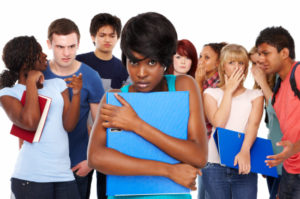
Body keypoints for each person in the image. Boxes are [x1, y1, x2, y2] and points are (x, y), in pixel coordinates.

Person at [87, 12, 208, 199]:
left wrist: (136, 124)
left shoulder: (183, 86)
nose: (141, 73)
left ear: (165, 61)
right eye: (133, 62)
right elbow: (96, 157)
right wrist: (168, 170)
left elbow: (199, 156)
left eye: (151, 62)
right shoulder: (115, 98)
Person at [0, 36, 82, 199]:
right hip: (30, 178)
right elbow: (31, 123)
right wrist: (31, 82)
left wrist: (77, 94)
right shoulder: (8, 94)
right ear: (25, 61)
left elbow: (69, 126)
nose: (45, 55)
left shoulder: (57, 85)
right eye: (39, 52)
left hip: (64, 176)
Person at [44, 18, 105, 199]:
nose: (66, 53)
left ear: (78, 44)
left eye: (71, 46)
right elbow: (26, 122)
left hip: (77, 164)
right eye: (60, 47)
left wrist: (91, 162)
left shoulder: (91, 76)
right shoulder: (39, 73)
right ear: (49, 44)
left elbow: (101, 124)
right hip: (43, 165)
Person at [76, 12, 129, 199]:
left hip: (110, 142)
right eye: (102, 35)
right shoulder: (79, 63)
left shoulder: (123, 69)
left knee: (107, 193)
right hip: (80, 140)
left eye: (112, 35)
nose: (107, 39)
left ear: (118, 38)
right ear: (92, 36)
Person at [202, 44, 264, 199]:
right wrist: (228, 91)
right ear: (223, 67)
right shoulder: (210, 93)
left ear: (245, 67)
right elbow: (219, 123)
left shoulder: (256, 95)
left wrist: (244, 151)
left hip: (244, 162)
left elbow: (253, 126)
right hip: (214, 165)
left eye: (241, 63)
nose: (237, 67)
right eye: (231, 63)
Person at [256, 26, 300, 198]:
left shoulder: (298, 74)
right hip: (290, 171)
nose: (261, 59)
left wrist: (294, 148)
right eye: (259, 54)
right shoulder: (279, 87)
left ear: (284, 53)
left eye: (266, 53)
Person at [195, 42, 227, 199]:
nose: (201, 60)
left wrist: (198, 84)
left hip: (215, 155)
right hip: (204, 152)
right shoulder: (204, 82)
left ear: (218, 62)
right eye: (200, 56)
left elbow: (204, 116)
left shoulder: (219, 85)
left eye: (206, 57)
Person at [249, 46, 282, 199]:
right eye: (254, 64)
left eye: (260, 63)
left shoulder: (283, 80)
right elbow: (272, 128)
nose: (257, 68)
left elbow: (279, 111)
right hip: (274, 160)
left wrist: (262, 82)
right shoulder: (266, 86)